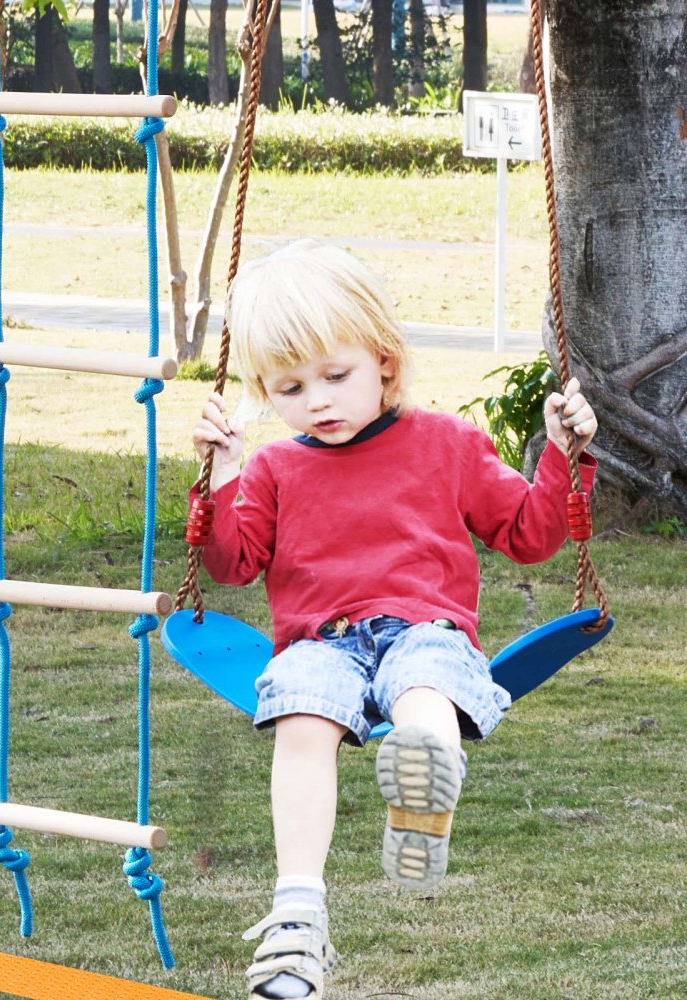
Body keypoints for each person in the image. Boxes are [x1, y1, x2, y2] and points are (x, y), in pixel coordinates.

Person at [189, 241, 599, 1000]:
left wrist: (563, 457)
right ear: (264, 391)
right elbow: (231, 563)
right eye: (290, 387)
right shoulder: (276, 470)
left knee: (424, 693)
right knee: (302, 723)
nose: (316, 402)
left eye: (335, 377)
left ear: (382, 358)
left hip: (423, 631)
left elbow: (529, 535)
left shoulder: (446, 444)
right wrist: (219, 479)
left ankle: (422, 800)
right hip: (321, 644)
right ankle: (297, 923)